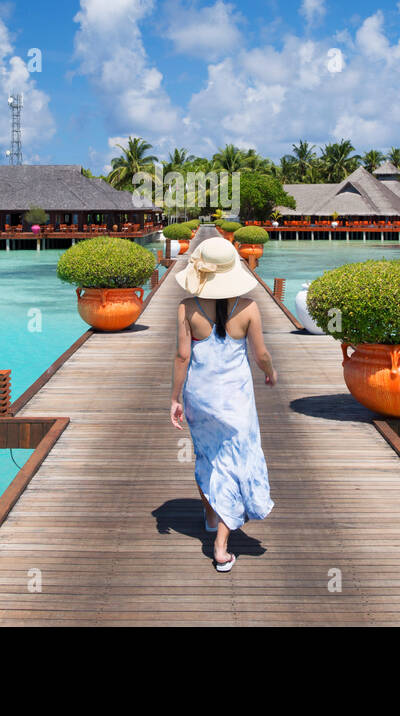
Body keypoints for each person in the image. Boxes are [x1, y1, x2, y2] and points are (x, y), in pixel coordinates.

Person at [169, 236, 277, 571]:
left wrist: (175, 397)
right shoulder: (247, 308)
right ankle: (220, 545)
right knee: (237, 460)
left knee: (208, 457)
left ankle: (213, 515)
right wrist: (270, 371)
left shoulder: (187, 308)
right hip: (236, 400)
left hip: (200, 396)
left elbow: (182, 356)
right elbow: (260, 354)